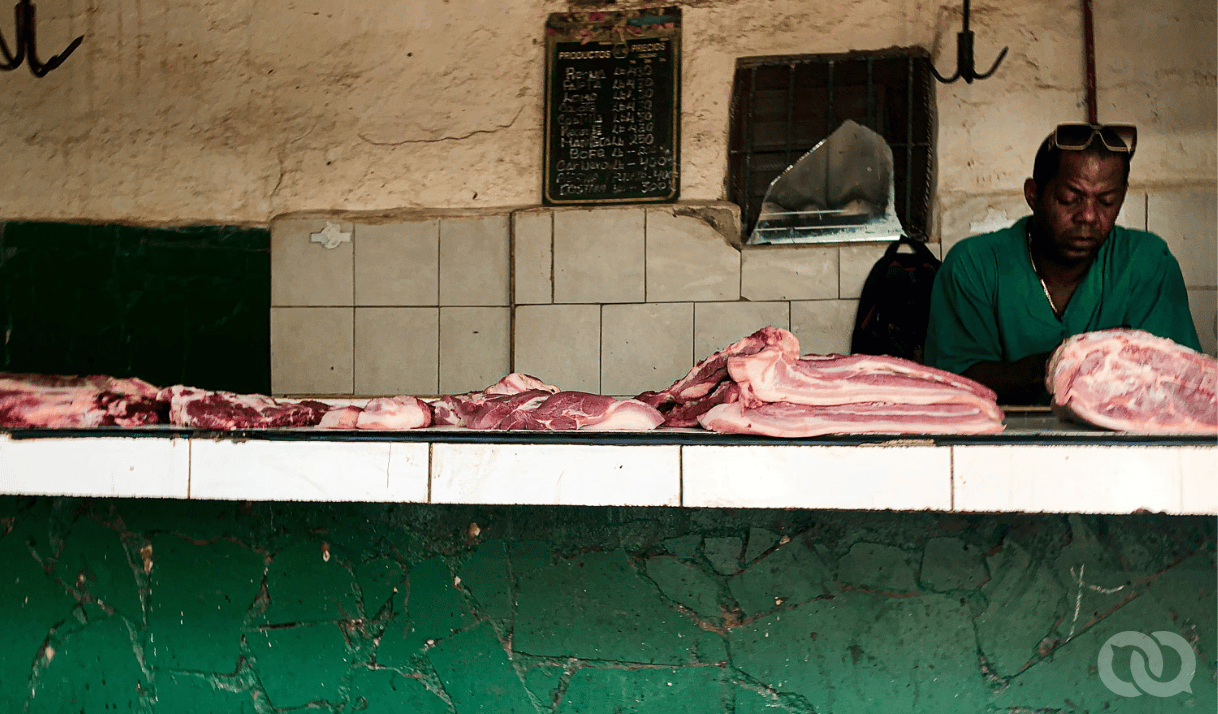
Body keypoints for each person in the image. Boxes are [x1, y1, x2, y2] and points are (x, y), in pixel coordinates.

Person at [924, 123, 1201, 404]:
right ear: (1033, 194)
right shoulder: (975, 266)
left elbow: (1178, 379)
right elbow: (953, 381)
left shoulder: (1146, 262)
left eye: (1106, 201)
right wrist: (1064, 366)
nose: (1088, 216)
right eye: (1070, 199)